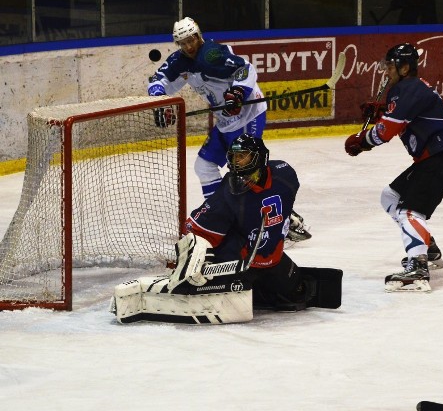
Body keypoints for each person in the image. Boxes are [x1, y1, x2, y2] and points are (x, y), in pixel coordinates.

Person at [111, 134, 341, 324]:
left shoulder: (285, 174)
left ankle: (261, 288)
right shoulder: (233, 190)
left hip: (271, 258)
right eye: (234, 157)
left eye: (243, 156)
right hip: (241, 261)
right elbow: (195, 229)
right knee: (236, 291)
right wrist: (193, 256)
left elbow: (276, 200)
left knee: (297, 294)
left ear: (259, 157)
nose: (236, 162)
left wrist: (284, 220)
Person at [147, 16, 311, 245]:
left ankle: (285, 218)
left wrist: (238, 94)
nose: (188, 46)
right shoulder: (179, 61)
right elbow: (158, 80)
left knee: (246, 173)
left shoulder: (212, 55)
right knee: (204, 166)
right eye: (182, 43)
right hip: (225, 122)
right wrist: (160, 102)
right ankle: (221, 217)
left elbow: (246, 70)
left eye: (190, 40)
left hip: (248, 115)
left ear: (198, 35)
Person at [344, 43, 443, 293]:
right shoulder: (406, 90)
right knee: (391, 197)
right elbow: (401, 119)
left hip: (442, 156)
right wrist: (381, 112)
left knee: (408, 212)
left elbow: (387, 131)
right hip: (439, 156)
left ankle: (417, 267)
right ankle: (428, 250)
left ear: (404, 67)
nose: (386, 71)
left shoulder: (407, 88)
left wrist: (362, 141)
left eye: (390, 66)